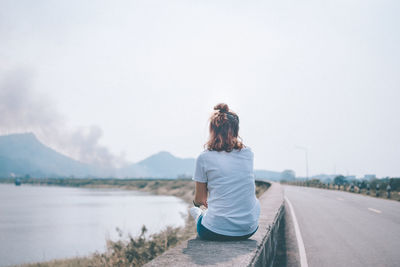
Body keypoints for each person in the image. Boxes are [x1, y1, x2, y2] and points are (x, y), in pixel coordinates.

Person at [189, 103, 260, 241]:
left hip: (213, 231)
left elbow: (199, 199)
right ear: (236, 130)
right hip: (248, 230)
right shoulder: (248, 153)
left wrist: (198, 203)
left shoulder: (203, 157)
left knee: (197, 211)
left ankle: (198, 214)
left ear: (212, 130)